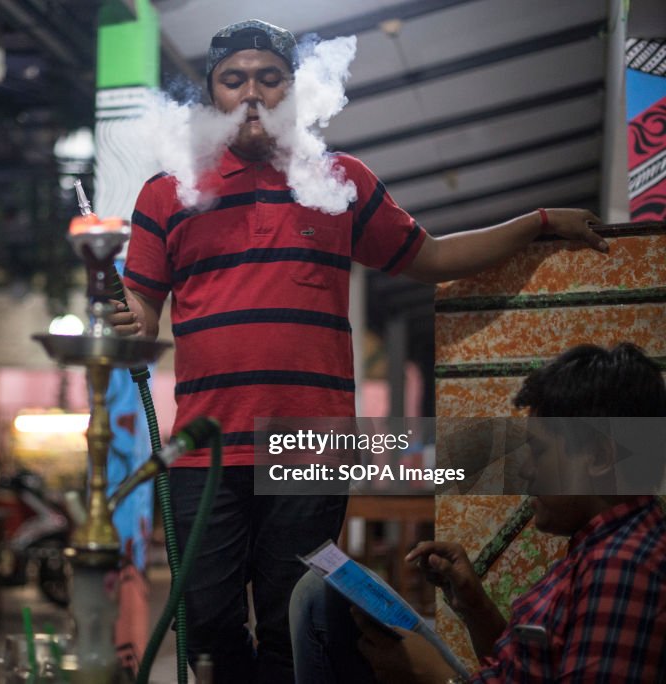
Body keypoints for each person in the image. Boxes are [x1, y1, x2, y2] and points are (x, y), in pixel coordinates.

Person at [111, 17, 607, 683]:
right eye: (234, 80)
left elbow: (429, 256)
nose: (252, 94)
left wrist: (536, 224)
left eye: (269, 78)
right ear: (213, 95)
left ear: (295, 90)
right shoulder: (170, 191)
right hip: (207, 445)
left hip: (308, 449)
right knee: (205, 627)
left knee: (298, 628)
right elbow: (140, 310)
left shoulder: (339, 180)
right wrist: (125, 313)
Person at [290, 343, 666, 683]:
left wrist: (434, 677)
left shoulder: (624, 565)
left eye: (539, 451)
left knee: (318, 606)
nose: (526, 471)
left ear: (600, 457)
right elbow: (522, 671)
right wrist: (474, 605)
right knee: (324, 595)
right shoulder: (600, 547)